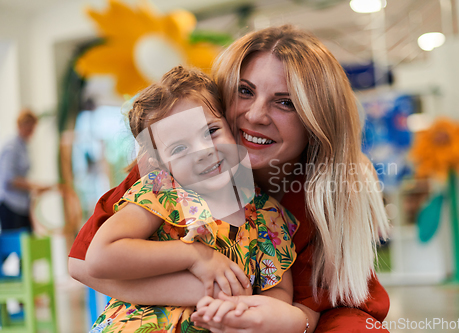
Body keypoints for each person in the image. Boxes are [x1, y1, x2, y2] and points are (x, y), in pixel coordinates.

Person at [69, 25, 391, 332]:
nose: (255, 115)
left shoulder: (294, 208)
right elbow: (85, 264)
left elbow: (296, 304)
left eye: (285, 102)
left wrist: (254, 313)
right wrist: (201, 274)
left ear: (315, 120)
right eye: (245, 91)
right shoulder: (167, 174)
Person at [86, 66, 300, 332]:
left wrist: (246, 315)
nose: (203, 151)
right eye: (179, 148)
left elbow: (277, 291)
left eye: (211, 131)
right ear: (160, 163)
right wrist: (195, 256)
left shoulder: (268, 216)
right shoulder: (162, 192)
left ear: (232, 127)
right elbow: (99, 256)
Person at [0, 109, 52, 233]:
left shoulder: (23, 146)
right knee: (14, 245)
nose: (32, 131)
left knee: (28, 242)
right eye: (29, 127)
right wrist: (34, 186)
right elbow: (9, 180)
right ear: (21, 125)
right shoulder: (11, 147)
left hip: (23, 205)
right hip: (10, 204)